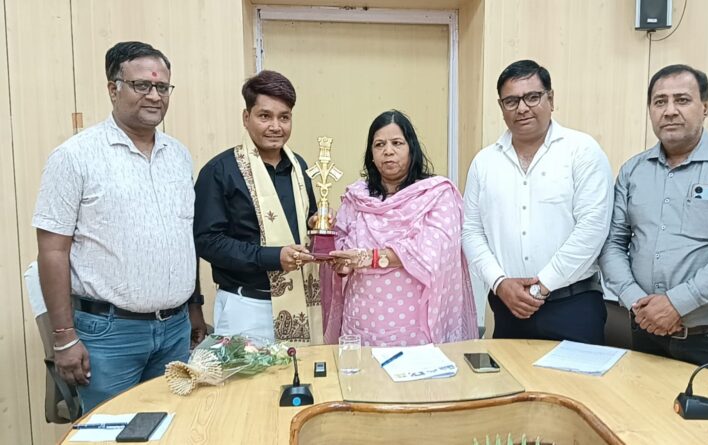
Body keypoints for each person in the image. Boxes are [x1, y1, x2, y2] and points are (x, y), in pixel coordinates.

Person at [33, 41, 205, 411]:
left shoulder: (178, 156)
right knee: (111, 431)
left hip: (175, 330)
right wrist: (63, 337)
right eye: (141, 85)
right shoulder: (75, 157)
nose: (154, 96)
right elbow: (52, 250)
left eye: (162, 87)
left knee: (174, 427)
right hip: (109, 335)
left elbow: (184, 239)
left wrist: (194, 311)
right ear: (113, 89)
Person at [599, 64, 708, 383]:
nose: (669, 111)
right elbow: (612, 243)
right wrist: (636, 302)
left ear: (705, 106)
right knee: (645, 414)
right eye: (659, 101)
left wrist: (677, 304)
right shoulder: (633, 171)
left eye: (682, 100)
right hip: (646, 332)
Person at [462, 60, 613, 344]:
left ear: (550, 99)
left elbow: (592, 228)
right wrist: (499, 282)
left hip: (573, 306)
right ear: (501, 107)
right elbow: (471, 230)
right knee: (509, 375)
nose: (522, 108)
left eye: (532, 97)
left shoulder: (581, 151)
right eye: (511, 101)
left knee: (574, 377)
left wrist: (541, 286)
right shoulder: (484, 162)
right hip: (508, 307)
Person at [325, 110, 478, 346]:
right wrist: (337, 256)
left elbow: (432, 252)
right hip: (361, 320)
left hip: (415, 324)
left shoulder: (436, 194)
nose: (388, 151)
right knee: (361, 370)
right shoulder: (356, 197)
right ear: (371, 154)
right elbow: (340, 249)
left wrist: (369, 258)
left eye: (397, 143)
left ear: (411, 149)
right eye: (379, 144)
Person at [194, 70, 326, 345]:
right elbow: (207, 242)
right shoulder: (220, 171)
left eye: (284, 117)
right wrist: (272, 257)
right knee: (246, 376)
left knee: (301, 373)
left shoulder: (299, 167)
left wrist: (319, 222)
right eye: (265, 116)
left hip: (301, 300)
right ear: (246, 117)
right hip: (246, 307)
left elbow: (307, 221)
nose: (275, 126)